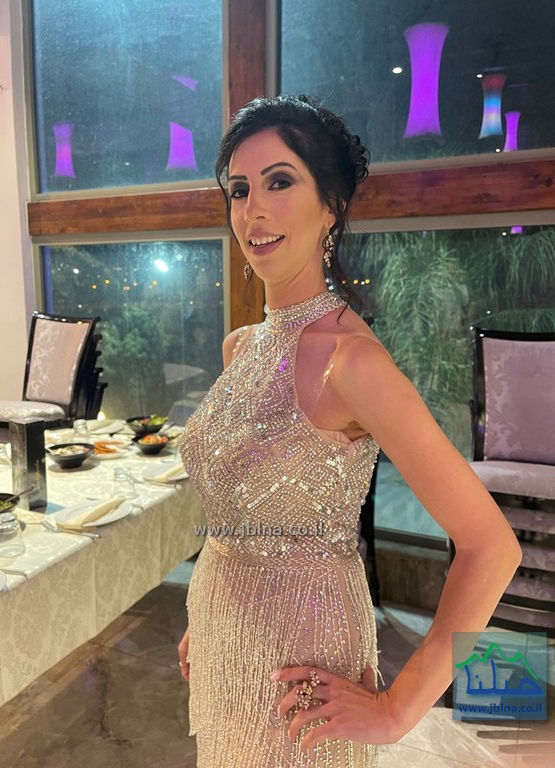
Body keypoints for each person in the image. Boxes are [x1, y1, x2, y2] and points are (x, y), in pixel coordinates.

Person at [177, 94, 521, 768]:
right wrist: (206, 616)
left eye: (279, 182)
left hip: (306, 657)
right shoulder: (240, 346)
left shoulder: (351, 362)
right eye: (239, 190)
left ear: (330, 205)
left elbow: (492, 546)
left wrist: (399, 708)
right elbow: (232, 513)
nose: (253, 209)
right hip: (222, 638)